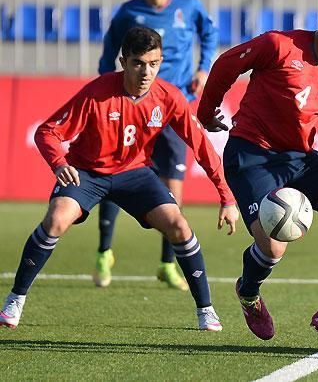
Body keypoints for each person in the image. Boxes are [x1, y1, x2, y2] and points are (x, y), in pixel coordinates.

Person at [0, 27, 239, 332]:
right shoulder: (97, 92)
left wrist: (226, 197)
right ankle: (15, 299)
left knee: (179, 226)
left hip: (135, 174)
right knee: (56, 220)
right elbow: (47, 131)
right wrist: (59, 163)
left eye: (153, 64)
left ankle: (206, 309)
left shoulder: (169, 97)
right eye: (138, 63)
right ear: (123, 62)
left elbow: (202, 146)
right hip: (86, 172)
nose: (146, 72)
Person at [197, 0, 318, 352]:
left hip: (299, 159)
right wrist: (207, 112)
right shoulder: (278, 46)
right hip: (251, 154)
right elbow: (226, 65)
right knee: (273, 249)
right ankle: (249, 291)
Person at [95, 0, 219, 290]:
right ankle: (104, 253)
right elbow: (108, 56)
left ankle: (167, 263)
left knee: (173, 185)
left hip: (174, 108)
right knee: (115, 174)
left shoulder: (189, 6)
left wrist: (203, 68)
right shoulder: (128, 13)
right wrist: (107, 93)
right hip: (133, 109)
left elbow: (210, 34)